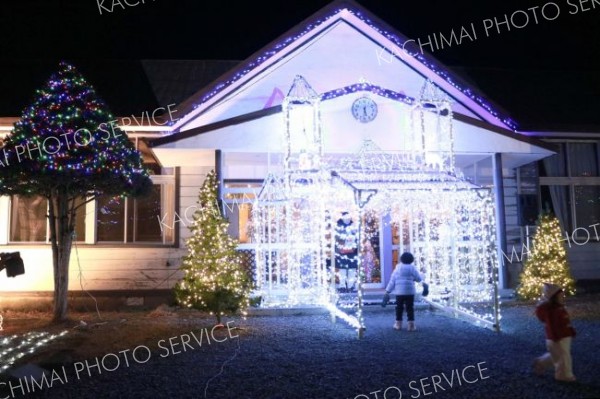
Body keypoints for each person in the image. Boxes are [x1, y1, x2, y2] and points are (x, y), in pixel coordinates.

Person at [532, 282, 577, 382]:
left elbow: (565, 321)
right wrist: (556, 336)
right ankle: (564, 375)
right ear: (553, 298)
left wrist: (571, 331)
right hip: (558, 337)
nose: (563, 297)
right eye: (560, 296)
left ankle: (541, 362)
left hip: (563, 336)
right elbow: (552, 326)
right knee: (564, 357)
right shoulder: (553, 311)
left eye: (563, 295)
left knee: (557, 354)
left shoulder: (559, 309)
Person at [385, 252, 423, 331]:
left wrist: (387, 291)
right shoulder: (412, 268)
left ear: (401, 259)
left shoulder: (397, 269)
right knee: (410, 308)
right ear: (411, 260)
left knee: (399, 308)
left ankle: (398, 324)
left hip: (399, 293)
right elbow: (418, 278)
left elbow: (392, 281)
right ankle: (411, 325)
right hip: (410, 292)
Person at [335, 212, 358, 292]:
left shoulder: (353, 226)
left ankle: (350, 286)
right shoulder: (338, 226)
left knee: (352, 269)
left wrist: (355, 247)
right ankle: (342, 286)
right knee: (343, 270)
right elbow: (337, 239)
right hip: (342, 251)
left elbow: (357, 238)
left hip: (352, 252)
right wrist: (340, 247)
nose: (347, 218)